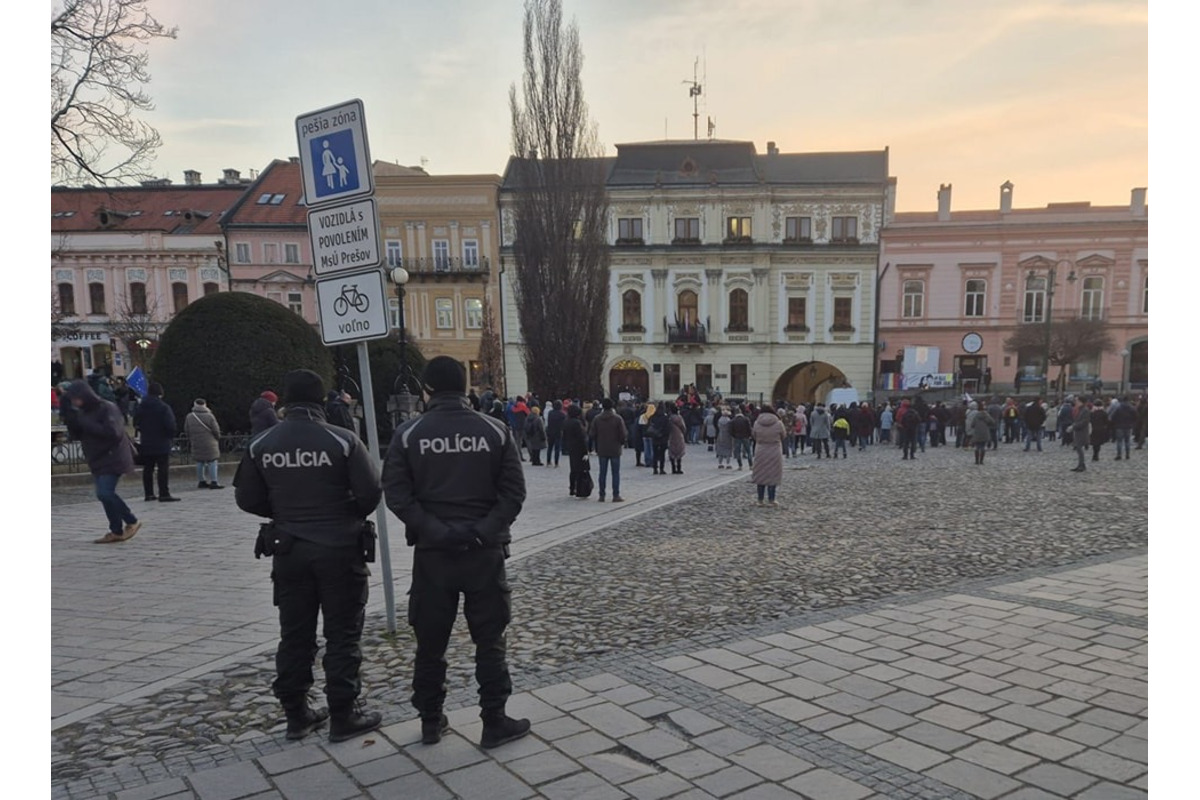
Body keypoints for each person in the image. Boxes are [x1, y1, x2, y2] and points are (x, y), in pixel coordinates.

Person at [380, 357, 529, 749]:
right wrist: (482, 531)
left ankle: (431, 720)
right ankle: (494, 721)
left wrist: (435, 529)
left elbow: (396, 493)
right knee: (490, 640)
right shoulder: (494, 431)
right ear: (466, 388)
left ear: (426, 390)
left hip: (433, 555)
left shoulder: (410, 434)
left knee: (430, 643)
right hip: (484, 552)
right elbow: (513, 493)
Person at [234, 369, 383, 743]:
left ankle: (297, 714)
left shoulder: (262, 443)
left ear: (285, 401)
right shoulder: (343, 440)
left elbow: (247, 499)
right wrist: (341, 509)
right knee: (343, 634)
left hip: (289, 549)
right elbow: (370, 494)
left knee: (295, 634)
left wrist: (284, 511)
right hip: (340, 549)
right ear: (321, 402)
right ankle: (344, 713)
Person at [61, 380, 142, 544]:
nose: (75, 403)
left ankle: (131, 520)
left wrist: (85, 423)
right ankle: (116, 530)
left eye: (77, 399)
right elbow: (81, 434)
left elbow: (114, 432)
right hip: (97, 458)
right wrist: (72, 422)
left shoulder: (107, 407)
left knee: (104, 492)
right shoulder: (83, 413)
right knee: (105, 495)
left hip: (114, 456)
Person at [133, 382, 180, 502]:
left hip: (146, 442)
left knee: (148, 468)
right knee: (163, 469)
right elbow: (170, 426)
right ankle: (164, 493)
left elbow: (135, 423)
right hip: (162, 442)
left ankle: (149, 494)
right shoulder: (164, 407)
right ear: (160, 393)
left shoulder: (141, 406)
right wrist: (170, 436)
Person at [590, 398, 626, 501]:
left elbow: (592, 434)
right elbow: (623, 434)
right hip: (615, 449)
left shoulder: (597, 419)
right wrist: (621, 443)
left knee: (602, 472)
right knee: (615, 473)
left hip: (602, 448)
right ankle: (616, 495)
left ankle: (602, 495)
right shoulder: (618, 419)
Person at [751, 404, 787, 506]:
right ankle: (772, 499)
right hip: (774, 450)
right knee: (773, 474)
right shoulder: (779, 423)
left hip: (761, 450)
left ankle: (760, 499)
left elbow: (754, 435)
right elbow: (783, 435)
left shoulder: (757, 423)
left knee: (761, 475)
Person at [185, 399, 224, 489]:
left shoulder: (190, 416)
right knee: (212, 461)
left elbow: (186, 430)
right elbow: (215, 429)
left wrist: (191, 438)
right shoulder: (210, 416)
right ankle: (214, 481)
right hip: (210, 442)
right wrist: (217, 437)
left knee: (199, 461)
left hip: (196, 442)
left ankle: (201, 481)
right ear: (205, 405)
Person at [563, 404, 590, 498]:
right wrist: (585, 451)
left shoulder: (566, 422)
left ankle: (571, 488)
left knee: (573, 469)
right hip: (579, 448)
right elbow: (582, 438)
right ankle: (580, 489)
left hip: (571, 447)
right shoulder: (577, 423)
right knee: (581, 469)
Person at [648, 402, 671, 475]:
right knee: (662, 455)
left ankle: (655, 469)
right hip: (663, 438)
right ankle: (661, 469)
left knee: (655, 454)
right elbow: (668, 429)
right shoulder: (665, 418)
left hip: (655, 438)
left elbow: (649, 426)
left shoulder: (652, 417)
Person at [1110, 396, 1136, 460]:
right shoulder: (1131, 408)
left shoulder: (1118, 408)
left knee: (1119, 441)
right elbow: (1136, 416)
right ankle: (1127, 455)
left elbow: (1113, 417)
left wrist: (1115, 423)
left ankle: (1119, 454)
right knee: (1127, 441)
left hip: (1119, 426)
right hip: (1128, 426)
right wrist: (1132, 422)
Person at [1071, 396, 1092, 472]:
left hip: (1082, 432)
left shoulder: (1085, 410)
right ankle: (1080, 464)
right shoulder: (1080, 409)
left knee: (1079, 449)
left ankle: (1081, 465)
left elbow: (1084, 422)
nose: (1075, 402)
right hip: (1078, 431)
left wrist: (1074, 426)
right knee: (1078, 449)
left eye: (1077, 401)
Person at [667, 403, 687, 474]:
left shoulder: (669, 418)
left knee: (672, 451)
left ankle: (673, 468)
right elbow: (683, 427)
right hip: (679, 435)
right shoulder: (679, 418)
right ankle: (678, 467)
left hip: (671, 436)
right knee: (679, 451)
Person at [545, 400, 565, 468]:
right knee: (557, 448)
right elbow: (563, 424)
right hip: (558, 432)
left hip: (550, 431)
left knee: (549, 448)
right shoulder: (562, 414)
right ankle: (556, 463)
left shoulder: (550, 413)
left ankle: (548, 461)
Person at [638, 402, 657, 469]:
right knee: (652, 448)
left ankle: (647, 461)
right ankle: (652, 461)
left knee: (646, 448)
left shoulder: (643, 416)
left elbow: (640, 425)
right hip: (652, 434)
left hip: (645, 434)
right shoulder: (655, 416)